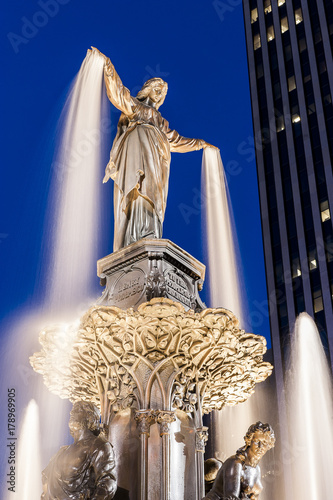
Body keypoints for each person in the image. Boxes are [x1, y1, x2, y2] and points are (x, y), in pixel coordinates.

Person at [91, 47, 218, 251]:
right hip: (136, 152)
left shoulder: (161, 122)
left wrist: (200, 144)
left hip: (158, 159)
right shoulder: (136, 108)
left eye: (164, 92)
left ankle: (149, 232)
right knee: (137, 188)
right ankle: (133, 236)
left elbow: (176, 140)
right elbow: (118, 94)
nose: (161, 93)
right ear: (148, 88)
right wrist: (107, 66)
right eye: (158, 88)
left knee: (155, 193)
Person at [41, 401, 117, 500]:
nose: (72, 413)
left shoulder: (98, 446)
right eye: (72, 411)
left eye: (78, 410)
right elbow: (46, 483)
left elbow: (107, 482)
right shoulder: (61, 452)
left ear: (90, 416)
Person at [202, 421, 275, 500]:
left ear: (269, 445)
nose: (260, 447)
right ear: (249, 441)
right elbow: (230, 497)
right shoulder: (235, 463)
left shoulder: (257, 469)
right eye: (257, 442)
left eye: (264, 443)